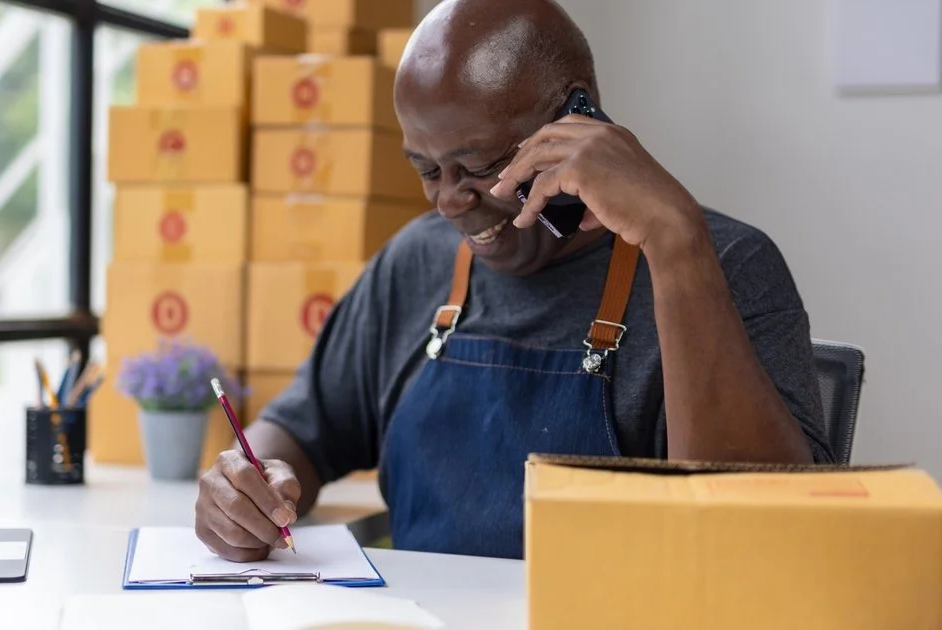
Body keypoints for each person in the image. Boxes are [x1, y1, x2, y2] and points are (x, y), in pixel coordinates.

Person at [194, 0, 833, 561]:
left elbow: (763, 526)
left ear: (578, 117)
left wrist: (674, 242)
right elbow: (303, 432)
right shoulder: (416, 262)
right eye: (426, 168)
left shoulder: (725, 262)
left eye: (476, 165)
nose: (449, 201)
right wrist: (250, 485)